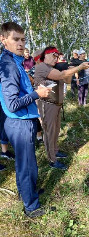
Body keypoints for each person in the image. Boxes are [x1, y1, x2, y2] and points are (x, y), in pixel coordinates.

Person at [0, 21, 51, 218]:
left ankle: (27, 193)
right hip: (19, 122)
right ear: (3, 40)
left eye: (23, 39)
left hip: (23, 120)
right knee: (27, 164)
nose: (21, 43)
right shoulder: (9, 65)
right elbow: (13, 104)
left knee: (25, 162)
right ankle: (31, 206)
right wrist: (38, 94)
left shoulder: (14, 61)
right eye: (16, 39)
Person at [34, 46, 89, 170]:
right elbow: (61, 75)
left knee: (56, 131)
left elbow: (67, 80)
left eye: (57, 56)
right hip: (47, 105)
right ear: (44, 57)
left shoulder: (55, 67)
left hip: (57, 104)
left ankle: (55, 150)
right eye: (53, 55)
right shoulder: (41, 67)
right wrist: (79, 67)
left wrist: (70, 69)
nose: (56, 58)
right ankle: (52, 159)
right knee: (49, 132)